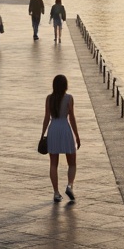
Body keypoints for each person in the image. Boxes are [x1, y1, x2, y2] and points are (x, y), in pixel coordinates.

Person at [40, 73, 80, 202]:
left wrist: (42, 134)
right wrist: (77, 135)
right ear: (65, 86)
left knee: (53, 164)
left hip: (53, 128)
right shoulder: (69, 98)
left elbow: (46, 117)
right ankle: (69, 185)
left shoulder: (49, 98)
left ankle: (56, 192)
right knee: (72, 162)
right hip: (65, 127)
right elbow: (72, 117)